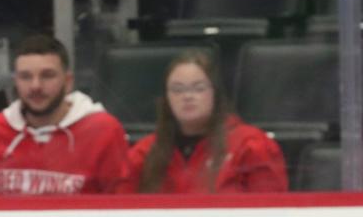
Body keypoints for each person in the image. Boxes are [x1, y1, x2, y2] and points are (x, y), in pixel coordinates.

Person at [0, 34, 129, 195]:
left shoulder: (104, 130)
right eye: (26, 77)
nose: (35, 86)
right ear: (16, 82)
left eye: (47, 75)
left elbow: (123, 210)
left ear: (68, 82)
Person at [123, 50, 288, 194]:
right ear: (166, 99)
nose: (187, 96)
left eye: (198, 88)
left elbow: (271, 213)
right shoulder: (144, 153)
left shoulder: (251, 145)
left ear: (215, 94)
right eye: (177, 89)